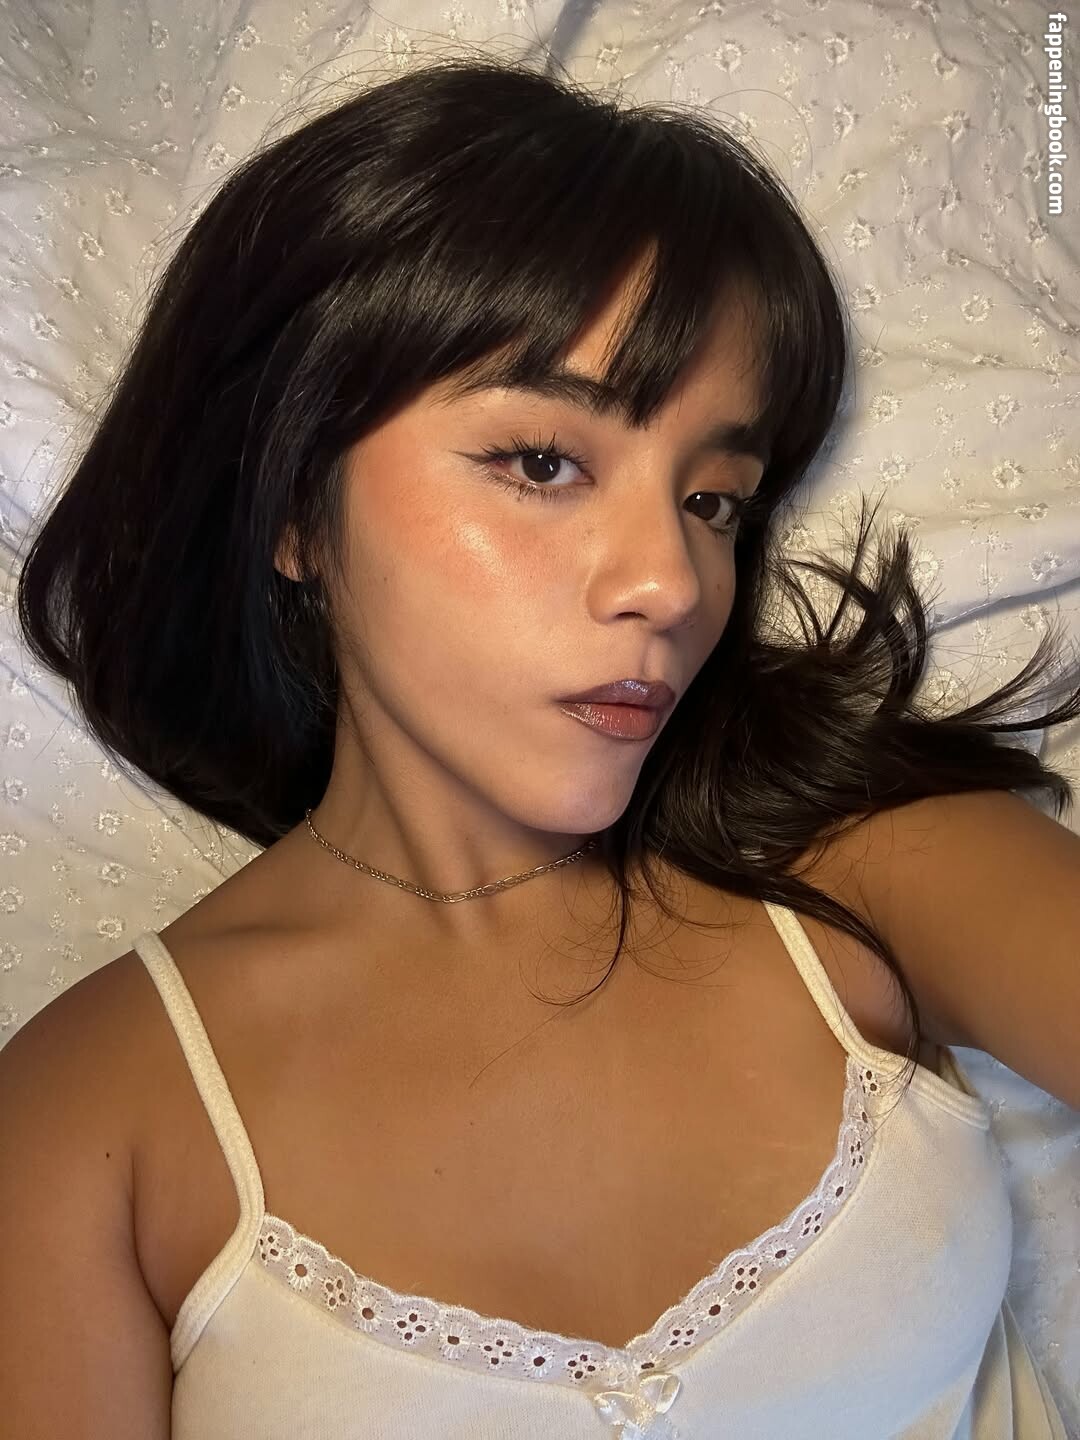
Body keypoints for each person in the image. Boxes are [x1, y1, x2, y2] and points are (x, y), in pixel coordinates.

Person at [2, 50, 1077, 1439]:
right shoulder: (89, 1115)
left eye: (713, 500)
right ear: (297, 512)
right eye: (543, 463)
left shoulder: (867, 871)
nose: (671, 584)